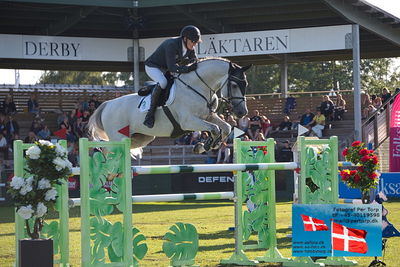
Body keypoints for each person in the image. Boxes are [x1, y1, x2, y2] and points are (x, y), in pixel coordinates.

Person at [143, 25, 201, 128]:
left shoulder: (190, 48)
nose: (194, 44)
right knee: (163, 82)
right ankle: (150, 114)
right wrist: (187, 69)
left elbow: (195, 63)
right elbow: (172, 67)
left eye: (196, 42)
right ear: (185, 38)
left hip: (167, 69)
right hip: (153, 66)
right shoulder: (171, 44)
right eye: (193, 42)